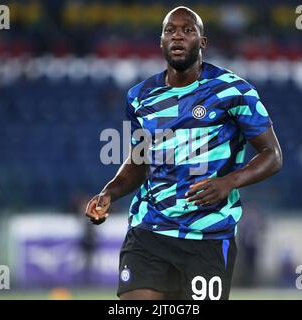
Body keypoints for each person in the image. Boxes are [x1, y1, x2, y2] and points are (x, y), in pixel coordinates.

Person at [85, 6, 282, 300]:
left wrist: (228, 183)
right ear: (161, 42)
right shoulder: (140, 96)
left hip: (208, 236)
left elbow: (272, 155)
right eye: (170, 31)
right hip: (149, 230)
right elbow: (139, 161)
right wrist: (109, 192)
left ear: (202, 42)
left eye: (187, 30)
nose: (178, 36)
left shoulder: (233, 91)